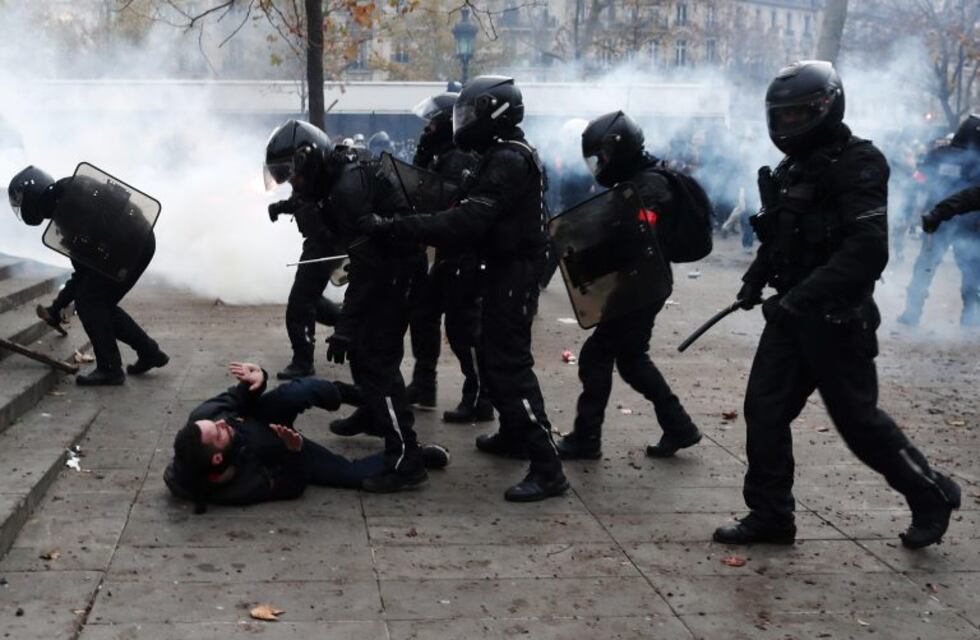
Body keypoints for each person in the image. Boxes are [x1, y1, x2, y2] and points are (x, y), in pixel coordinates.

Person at [714, 61, 960, 549]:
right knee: (763, 411)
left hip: (836, 318)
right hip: (790, 316)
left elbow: (868, 249)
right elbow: (780, 237)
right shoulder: (792, 167)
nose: (787, 126)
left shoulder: (858, 163)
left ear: (826, 108)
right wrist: (754, 280)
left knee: (859, 425)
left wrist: (800, 298)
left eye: (797, 115)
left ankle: (930, 492)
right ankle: (771, 515)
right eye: (780, 117)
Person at [360, 76, 568, 502]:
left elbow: (467, 221)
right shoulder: (498, 154)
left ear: (495, 112)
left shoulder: (508, 159)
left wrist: (398, 228)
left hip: (514, 272)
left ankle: (549, 469)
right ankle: (513, 433)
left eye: (471, 113)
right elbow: (457, 207)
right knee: (493, 359)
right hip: (501, 268)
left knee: (510, 367)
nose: (463, 121)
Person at [265, 119, 430, 494]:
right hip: (389, 268)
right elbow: (315, 201)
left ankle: (406, 460)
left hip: (395, 273)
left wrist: (345, 328)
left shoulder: (347, 189)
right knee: (367, 356)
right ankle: (376, 417)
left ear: (308, 159)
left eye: (294, 175)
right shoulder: (335, 172)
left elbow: (368, 270)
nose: (294, 183)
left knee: (377, 363)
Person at [555, 111, 702, 461]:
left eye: (602, 158)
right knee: (633, 359)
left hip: (642, 285)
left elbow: (638, 239)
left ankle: (586, 439)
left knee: (596, 356)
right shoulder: (639, 180)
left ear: (619, 149)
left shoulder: (650, 186)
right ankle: (680, 427)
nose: (599, 165)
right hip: (639, 283)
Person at [163, 362, 449, 510]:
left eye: (217, 423)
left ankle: (362, 399)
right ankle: (412, 454)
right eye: (219, 432)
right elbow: (293, 486)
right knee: (351, 476)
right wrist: (295, 451)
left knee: (301, 391)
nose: (222, 424)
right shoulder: (241, 488)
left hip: (259, 416)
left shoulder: (205, 418)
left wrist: (257, 378)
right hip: (281, 446)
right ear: (217, 457)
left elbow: (238, 398)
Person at [8, 165, 168, 385]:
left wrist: (58, 306)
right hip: (141, 242)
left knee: (90, 301)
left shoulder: (67, 208)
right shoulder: (67, 192)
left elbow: (83, 271)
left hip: (130, 248)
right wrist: (57, 307)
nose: (23, 207)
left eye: (21, 199)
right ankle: (149, 352)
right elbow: (85, 270)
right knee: (101, 303)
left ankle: (110, 369)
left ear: (32, 194)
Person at [402, 90, 491, 423]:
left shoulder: (459, 158)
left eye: (430, 124)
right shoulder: (443, 154)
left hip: (463, 255)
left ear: (444, 123)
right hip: (444, 254)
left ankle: (479, 395)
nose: (426, 130)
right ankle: (424, 384)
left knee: (462, 326)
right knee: (423, 313)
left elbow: (440, 203)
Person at [265, 120, 346, 380]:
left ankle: (303, 361)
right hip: (319, 244)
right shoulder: (317, 178)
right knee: (312, 301)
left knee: (299, 306)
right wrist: (281, 207)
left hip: (325, 246)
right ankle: (350, 321)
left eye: (293, 173)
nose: (292, 180)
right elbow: (303, 198)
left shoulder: (340, 181)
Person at [898, 115, 980, 327]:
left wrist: (921, 205)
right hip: (969, 224)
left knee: (925, 265)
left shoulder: (938, 154)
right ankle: (969, 320)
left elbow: (921, 179)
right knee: (971, 271)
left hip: (937, 219)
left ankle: (911, 313)